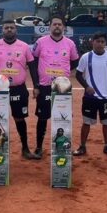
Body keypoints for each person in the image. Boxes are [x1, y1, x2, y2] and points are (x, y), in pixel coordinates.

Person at [0, 19, 38, 159]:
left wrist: (36, 86)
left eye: (12, 27)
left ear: (16, 30)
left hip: (18, 89)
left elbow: (32, 67)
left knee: (19, 119)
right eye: (6, 28)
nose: (9, 30)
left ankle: (25, 149)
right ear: (2, 30)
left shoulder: (24, 47)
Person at [31, 16, 80, 160]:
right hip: (45, 86)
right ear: (50, 27)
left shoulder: (70, 44)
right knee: (42, 118)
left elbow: (75, 61)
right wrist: (36, 84)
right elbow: (33, 61)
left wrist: (64, 72)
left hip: (63, 88)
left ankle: (63, 147)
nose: (57, 27)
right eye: (54, 24)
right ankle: (39, 147)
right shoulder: (40, 42)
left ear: (63, 27)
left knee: (63, 118)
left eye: (59, 24)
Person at [73, 32, 107, 156]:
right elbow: (78, 74)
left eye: (102, 42)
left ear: (105, 43)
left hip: (106, 97)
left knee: (106, 123)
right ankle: (82, 146)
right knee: (86, 122)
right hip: (90, 97)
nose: (100, 44)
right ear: (92, 42)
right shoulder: (86, 57)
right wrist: (86, 87)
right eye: (97, 41)